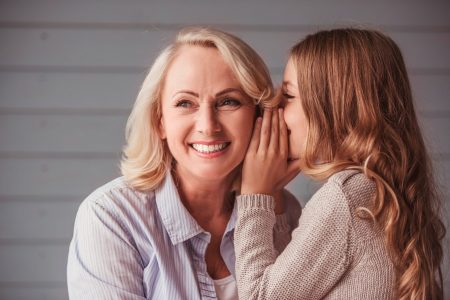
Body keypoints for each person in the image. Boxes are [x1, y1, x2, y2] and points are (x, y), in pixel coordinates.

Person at [66, 27, 301, 299]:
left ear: (259, 116)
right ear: (160, 122)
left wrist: (267, 200)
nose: (207, 126)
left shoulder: (285, 211)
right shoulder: (111, 216)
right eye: (185, 103)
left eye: (228, 101)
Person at [234, 28, 446, 299]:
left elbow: (258, 296)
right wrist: (273, 199)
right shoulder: (376, 188)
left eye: (288, 95)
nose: (274, 106)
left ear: (332, 107)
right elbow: (297, 282)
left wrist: (255, 195)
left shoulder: (345, 197)